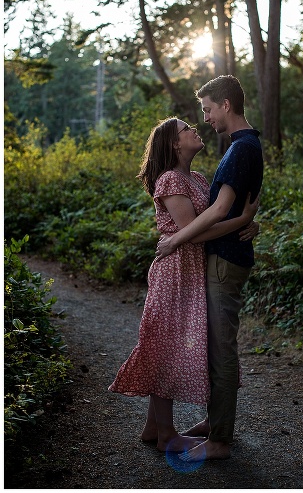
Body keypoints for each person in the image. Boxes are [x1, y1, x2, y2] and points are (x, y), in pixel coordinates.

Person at [109, 117, 259, 454]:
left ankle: (153, 427)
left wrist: (248, 225)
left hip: (192, 268)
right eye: (186, 128)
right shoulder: (170, 179)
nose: (195, 129)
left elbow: (214, 220)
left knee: (171, 343)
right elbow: (193, 232)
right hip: (174, 270)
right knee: (165, 346)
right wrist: (243, 220)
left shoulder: (198, 178)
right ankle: (166, 434)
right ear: (175, 143)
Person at [155, 75, 264, 462]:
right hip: (223, 258)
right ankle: (213, 421)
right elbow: (232, 210)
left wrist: (176, 240)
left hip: (225, 261)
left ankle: (219, 440)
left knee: (221, 351)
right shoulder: (243, 147)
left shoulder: (240, 149)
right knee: (213, 346)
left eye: (207, 109)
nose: (205, 118)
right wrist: (245, 221)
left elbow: (219, 210)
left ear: (226, 106)